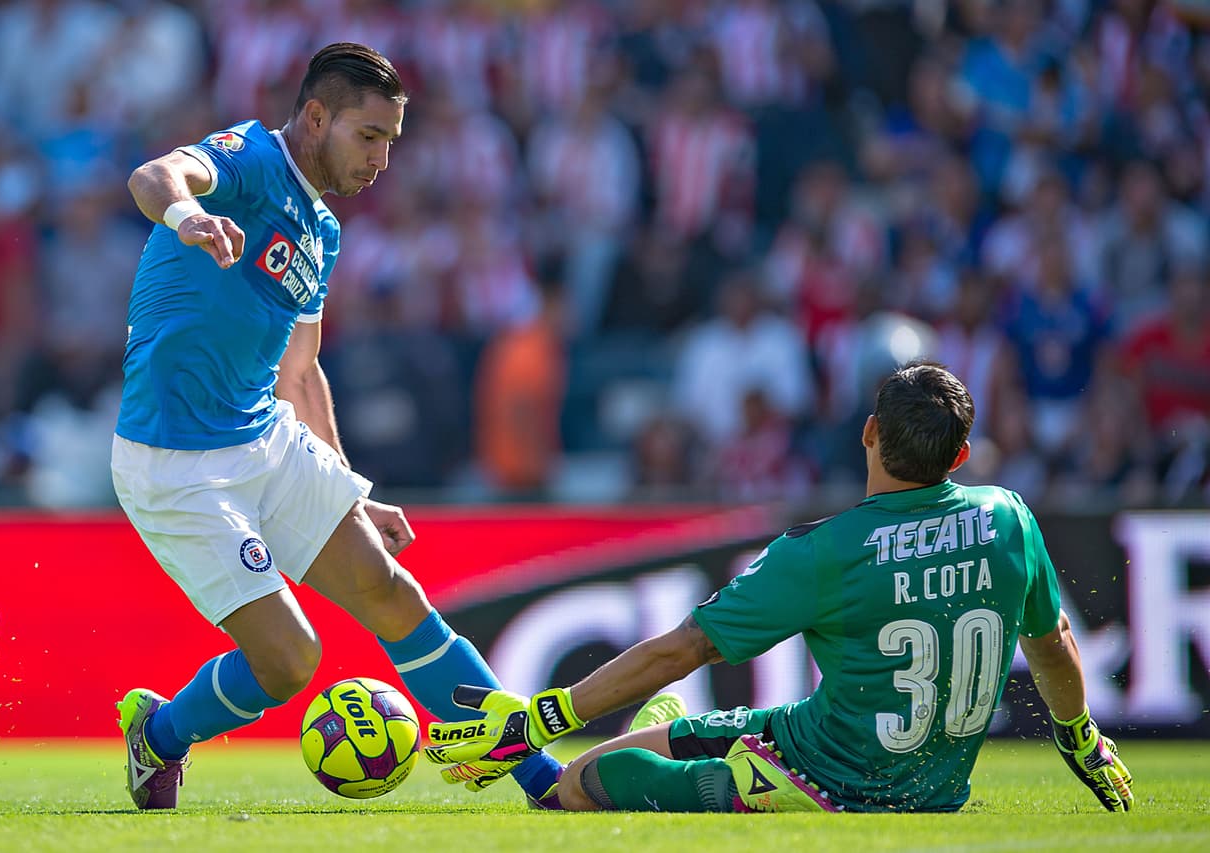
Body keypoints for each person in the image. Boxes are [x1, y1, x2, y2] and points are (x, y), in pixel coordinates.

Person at [110, 42, 561, 810]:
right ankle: (160, 732)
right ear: (316, 116)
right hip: (175, 461)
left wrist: (352, 492)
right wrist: (189, 217)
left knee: (394, 594)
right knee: (290, 660)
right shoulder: (249, 158)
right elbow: (153, 177)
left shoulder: (324, 231)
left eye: (391, 141)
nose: (381, 160)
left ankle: (544, 783)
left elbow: (302, 371)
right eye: (368, 136)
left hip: (264, 439)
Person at [426, 361, 1134, 814]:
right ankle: (667, 732)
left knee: (573, 786)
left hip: (824, 784)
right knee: (614, 755)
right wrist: (1079, 737)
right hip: (925, 783)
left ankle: (699, 760)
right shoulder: (1009, 519)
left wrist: (538, 718)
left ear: (868, 433)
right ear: (962, 456)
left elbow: (685, 649)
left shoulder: (825, 549)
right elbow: (1054, 643)